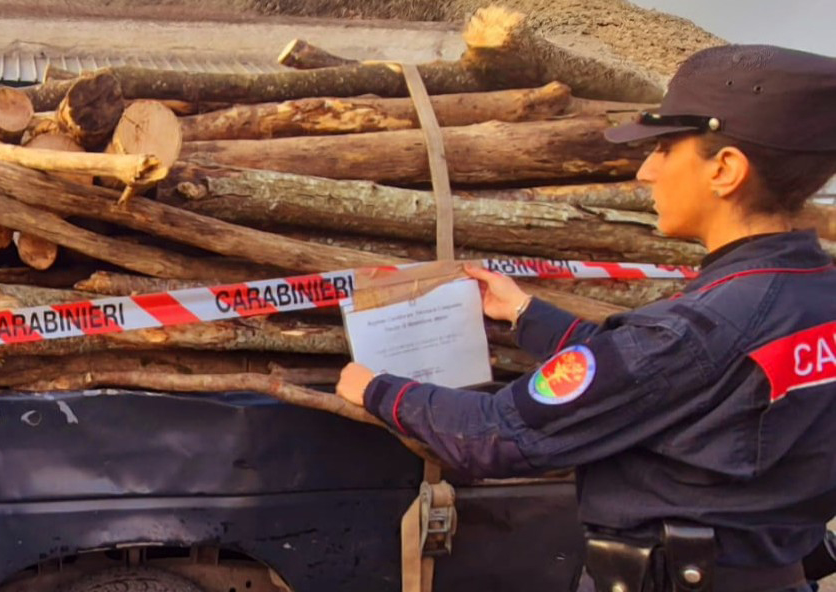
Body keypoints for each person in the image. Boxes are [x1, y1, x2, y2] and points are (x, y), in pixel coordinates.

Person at [335, 44, 836, 592]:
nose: (646, 171)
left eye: (665, 149)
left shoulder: (698, 330)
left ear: (725, 169)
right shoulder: (812, 297)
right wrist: (527, 315)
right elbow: (667, 380)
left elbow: (497, 435)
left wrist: (377, 388)